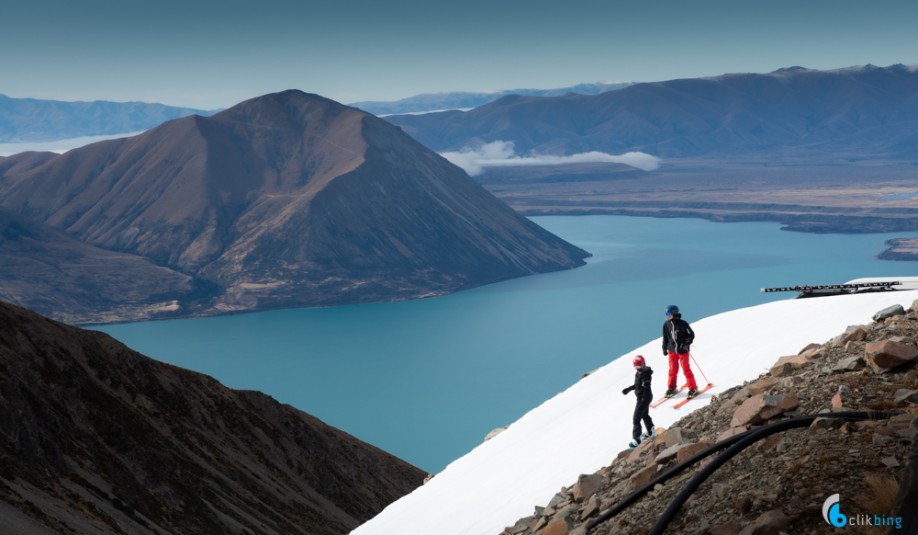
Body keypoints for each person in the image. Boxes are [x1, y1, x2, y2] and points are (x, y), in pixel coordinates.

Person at [662, 304, 698, 398]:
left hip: (683, 351)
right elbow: (665, 338)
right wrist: (664, 348)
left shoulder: (683, 324)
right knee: (672, 370)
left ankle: (693, 388)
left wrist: (686, 343)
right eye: (666, 314)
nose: (667, 316)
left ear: (674, 313)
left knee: (686, 370)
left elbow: (691, 335)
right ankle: (671, 387)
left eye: (668, 314)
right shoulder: (666, 325)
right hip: (672, 351)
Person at [622, 355, 655, 448]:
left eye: (640, 367)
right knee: (644, 415)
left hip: (644, 398)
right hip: (641, 398)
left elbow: (646, 388)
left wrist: (643, 401)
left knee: (636, 418)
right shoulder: (638, 373)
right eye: (636, 367)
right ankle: (651, 430)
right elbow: (637, 385)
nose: (638, 369)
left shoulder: (646, 375)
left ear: (644, 364)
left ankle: (637, 439)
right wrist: (629, 389)